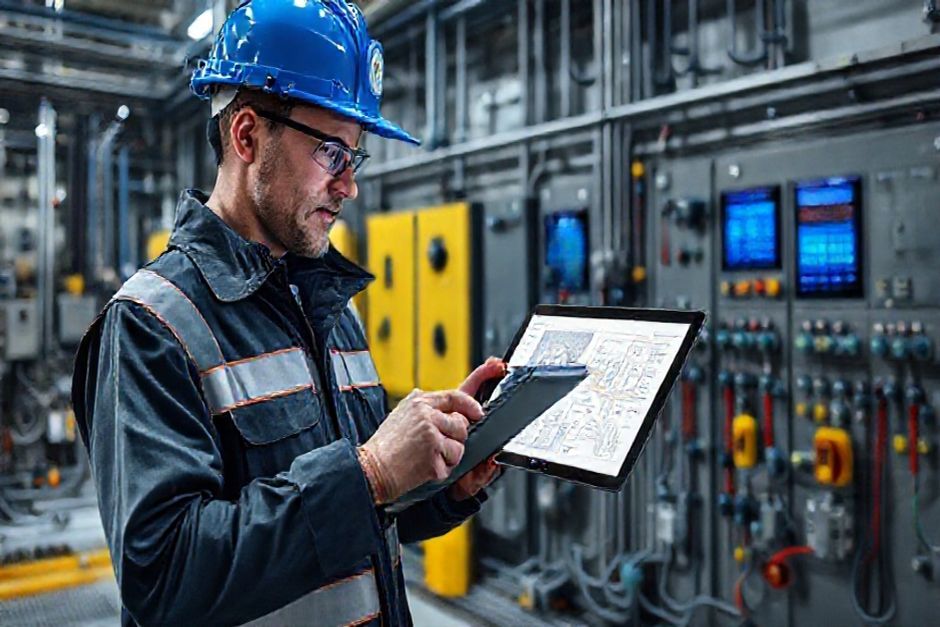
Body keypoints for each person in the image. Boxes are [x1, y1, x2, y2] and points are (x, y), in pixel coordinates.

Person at [71, 1, 502, 624]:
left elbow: (364, 522)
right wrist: (372, 471)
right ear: (247, 136)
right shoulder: (149, 325)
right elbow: (163, 577)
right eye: (332, 152)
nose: (348, 185)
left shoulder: (328, 310)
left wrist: (443, 479)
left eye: (355, 158)